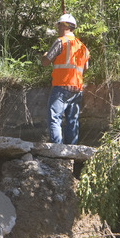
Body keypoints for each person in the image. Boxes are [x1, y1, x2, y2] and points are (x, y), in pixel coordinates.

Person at [41, 14, 90, 145]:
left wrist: (45, 55)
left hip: (61, 87)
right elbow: (85, 67)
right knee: (72, 121)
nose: (58, 28)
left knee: (54, 118)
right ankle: (71, 151)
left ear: (64, 26)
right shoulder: (83, 47)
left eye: (59, 25)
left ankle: (57, 150)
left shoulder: (60, 41)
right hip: (77, 89)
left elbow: (45, 62)